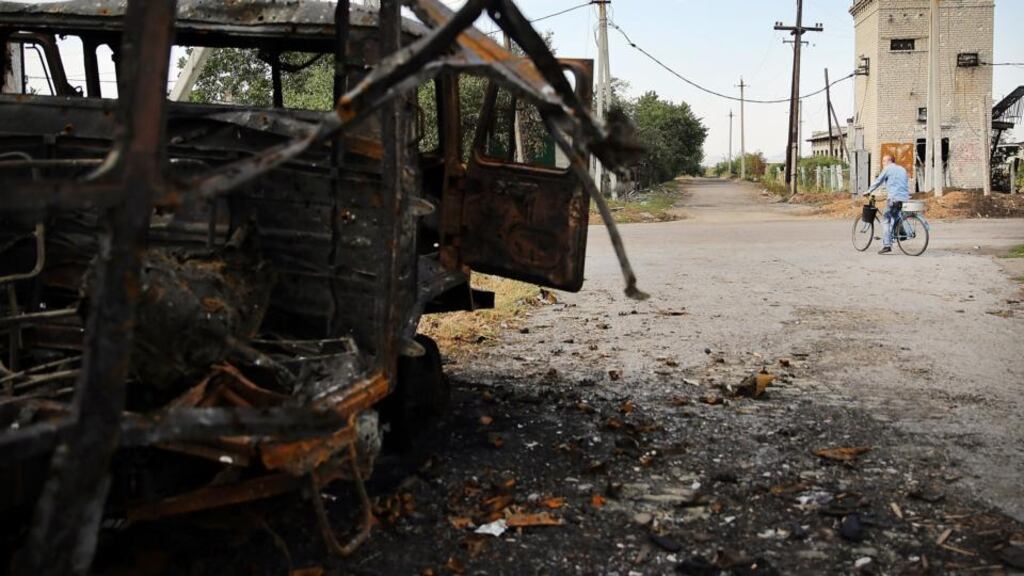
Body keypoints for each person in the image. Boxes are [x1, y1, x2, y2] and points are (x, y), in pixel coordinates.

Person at [863, 154, 910, 254]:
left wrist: (868, 191)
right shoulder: (902, 169)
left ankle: (887, 245)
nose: (882, 163)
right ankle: (901, 232)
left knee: (885, 219)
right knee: (896, 215)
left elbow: (878, 181)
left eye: (883, 161)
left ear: (889, 161)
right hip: (904, 198)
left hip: (893, 198)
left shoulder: (888, 169)